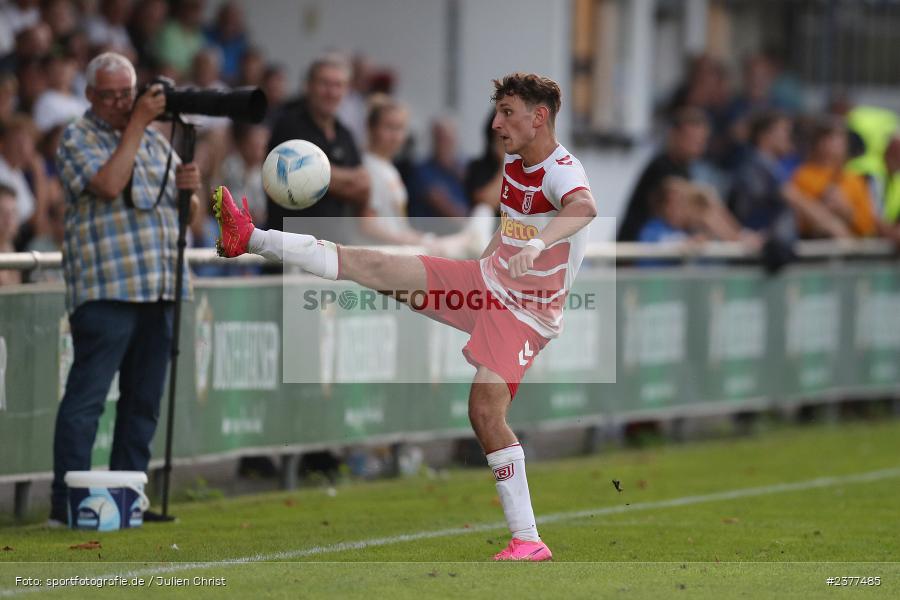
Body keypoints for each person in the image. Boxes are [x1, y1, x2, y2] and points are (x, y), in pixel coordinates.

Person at [214, 72, 597, 561]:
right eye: (497, 111)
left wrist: (541, 244)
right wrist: (486, 263)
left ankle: (528, 539)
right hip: (485, 286)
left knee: (483, 412)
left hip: (527, 314)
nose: (496, 123)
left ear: (539, 117)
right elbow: (510, 227)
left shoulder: (564, 169)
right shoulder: (514, 162)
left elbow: (584, 207)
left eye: (507, 112)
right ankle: (249, 237)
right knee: (371, 263)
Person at [49, 52, 201, 525]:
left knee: (144, 402)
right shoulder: (77, 136)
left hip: (160, 286)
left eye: (126, 94)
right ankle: (67, 507)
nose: (120, 103)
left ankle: (128, 500)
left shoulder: (157, 144)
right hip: (107, 289)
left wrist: (189, 192)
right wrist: (137, 123)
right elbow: (111, 184)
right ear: (90, 96)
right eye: (110, 95)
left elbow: (186, 215)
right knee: (88, 399)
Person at [266, 55, 369, 243]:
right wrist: (347, 180)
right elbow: (298, 174)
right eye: (324, 84)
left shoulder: (345, 134)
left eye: (338, 85)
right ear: (308, 86)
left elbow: (363, 186)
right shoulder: (289, 125)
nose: (331, 92)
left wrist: (318, 175)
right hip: (289, 245)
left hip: (330, 247)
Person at [617, 107, 709, 241]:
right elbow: (702, 201)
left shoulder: (686, 171)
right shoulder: (660, 167)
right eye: (691, 139)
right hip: (636, 252)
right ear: (674, 135)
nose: (696, 145)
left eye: (700, 141)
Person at [358, 94, 429, 245]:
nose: (396, 136)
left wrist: (421, 239)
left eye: (400, 128)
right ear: (371, 128)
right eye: (389, 127)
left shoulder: (390, 169)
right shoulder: (367, 168)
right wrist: (412, 241)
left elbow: (398, 224)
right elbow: (367, 226)